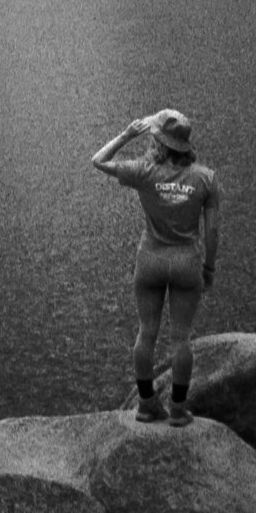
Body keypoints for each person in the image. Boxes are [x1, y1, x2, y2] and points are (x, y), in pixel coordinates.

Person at [90, 108, 222, 424]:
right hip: (186, 262)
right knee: (181, 338)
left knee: (146, 332)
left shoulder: (144, 171)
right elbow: (212, 230)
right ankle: (178, 409)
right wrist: (209, 268)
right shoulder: (206, 178)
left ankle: (146, 404)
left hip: (150, 259)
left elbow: (98, 160)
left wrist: (126, 135)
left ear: (159, 143)